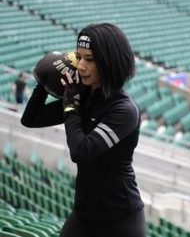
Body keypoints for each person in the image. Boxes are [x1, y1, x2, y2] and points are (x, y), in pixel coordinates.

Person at [21, 23, 146, 237]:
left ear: (109, 62)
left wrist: (71, 107)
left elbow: (81, 151)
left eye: (89, 59)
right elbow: (31, 119)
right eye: (78, 57)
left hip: (121, 221)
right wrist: (44, 81)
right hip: (83, 214)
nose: (80, 66)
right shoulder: (82, 96)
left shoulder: (124, 110)